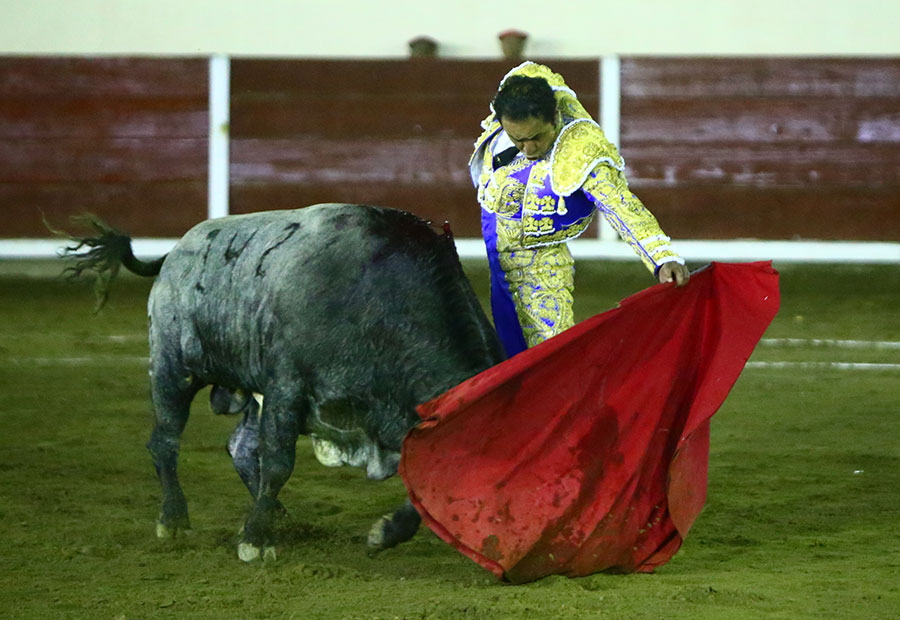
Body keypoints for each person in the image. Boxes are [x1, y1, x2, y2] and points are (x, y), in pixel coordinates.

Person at [469, 62, 690, 357]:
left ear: (554, 119)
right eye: (518, 139)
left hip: (539, 259)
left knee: (551, 356)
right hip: (495, 242)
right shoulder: (509, 115)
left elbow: (621, 207)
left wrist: (663, 258)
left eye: (537, 137)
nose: (528, 148)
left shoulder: (581, 149)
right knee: (508, 352)